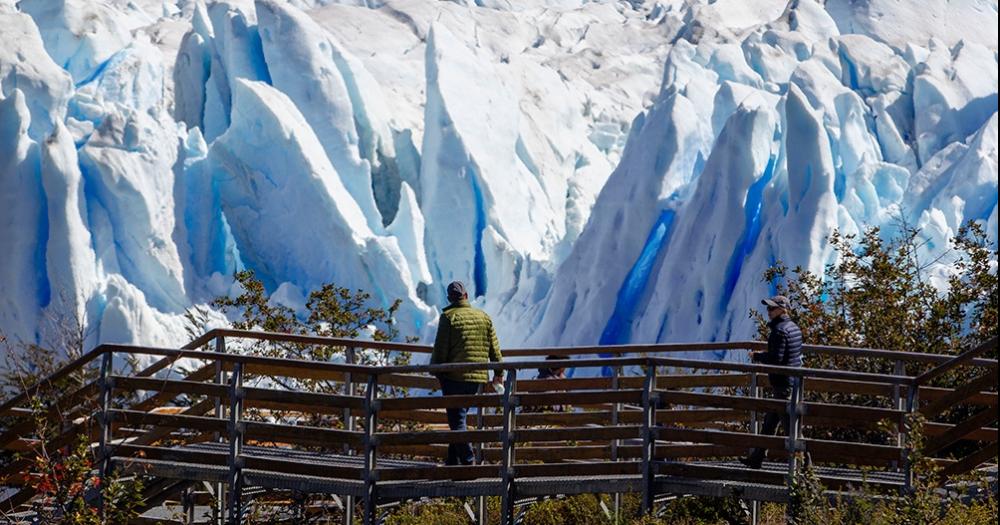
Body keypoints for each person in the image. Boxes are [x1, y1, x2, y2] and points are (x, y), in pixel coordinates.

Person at [430, 281, 503, 466]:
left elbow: (441, 349)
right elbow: (495, 350)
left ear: (449, 298)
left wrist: (435, 370)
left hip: (454, 378)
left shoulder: (448, 317)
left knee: (457, 421)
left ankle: (468, 460)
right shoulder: (483, 317)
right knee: (458, 418)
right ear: (466, 295)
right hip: (477, 378)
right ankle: (452, 462)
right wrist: (498, 373)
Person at [741, 295, 802, 469]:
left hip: (783, 385)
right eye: (768, 308)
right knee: (769, 424)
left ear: (783, 309)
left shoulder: (780, 331)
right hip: (791, 383)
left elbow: (777, 358)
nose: (768, 312)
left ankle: (806, 469)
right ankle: (756, 459)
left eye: (772, 308)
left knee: (792, 429)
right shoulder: (794, 328)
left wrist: (757, 356)